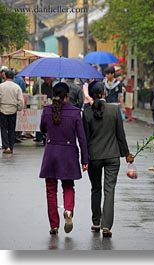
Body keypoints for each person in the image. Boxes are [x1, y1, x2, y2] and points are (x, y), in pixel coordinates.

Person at [82, 81, 134, 238]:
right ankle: (106, 226)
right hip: (112, 156)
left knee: (95, 189)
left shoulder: (87, 113)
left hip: (94, 157)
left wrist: (84, 159)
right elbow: (120, 135)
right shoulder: (114, 109)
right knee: (109, 190)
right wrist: (127, 154)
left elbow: (85, 139)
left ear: (90, 94)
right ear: (104, 93)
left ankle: (96, 222)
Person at [39, 82, 89, 235]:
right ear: (68, 95)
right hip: (68, 155)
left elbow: (42, 129)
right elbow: (82, 138)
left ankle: (54, 225)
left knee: (50, 190)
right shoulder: (75, 112)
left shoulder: (47, 110)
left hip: (51, 154)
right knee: (68, 186)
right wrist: (85, 159)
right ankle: (68, 210)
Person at [0, 70, 24, 154]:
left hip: (2, 110)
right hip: (13, 110)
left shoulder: (1, 86)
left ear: (5, 76)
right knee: (12, 129)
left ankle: (6, 147)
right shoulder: (17, 87)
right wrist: (19, 108)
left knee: (3, 129)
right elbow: (20, 100)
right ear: (13, 77)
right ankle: (11, 146)